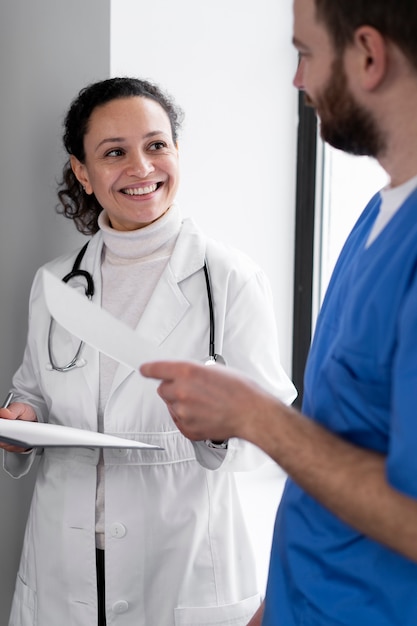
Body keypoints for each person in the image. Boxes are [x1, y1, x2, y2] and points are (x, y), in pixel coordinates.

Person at [140, 0, 417, 624]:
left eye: (305, 53)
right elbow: (339, 441)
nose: (298, 81)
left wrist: (254, 417)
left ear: (369, 55)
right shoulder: (378, 216)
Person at [0, 77, 296, 626]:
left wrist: (216, 425)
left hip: (180, 560)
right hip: (62, 566)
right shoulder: (56, 284)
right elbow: (32, 391)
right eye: (115, 153)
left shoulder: (228, 277)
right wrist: (21, 419)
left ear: (176, 151)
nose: (141, 168)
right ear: (83, 173)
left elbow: (275, 428)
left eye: (156, 145)